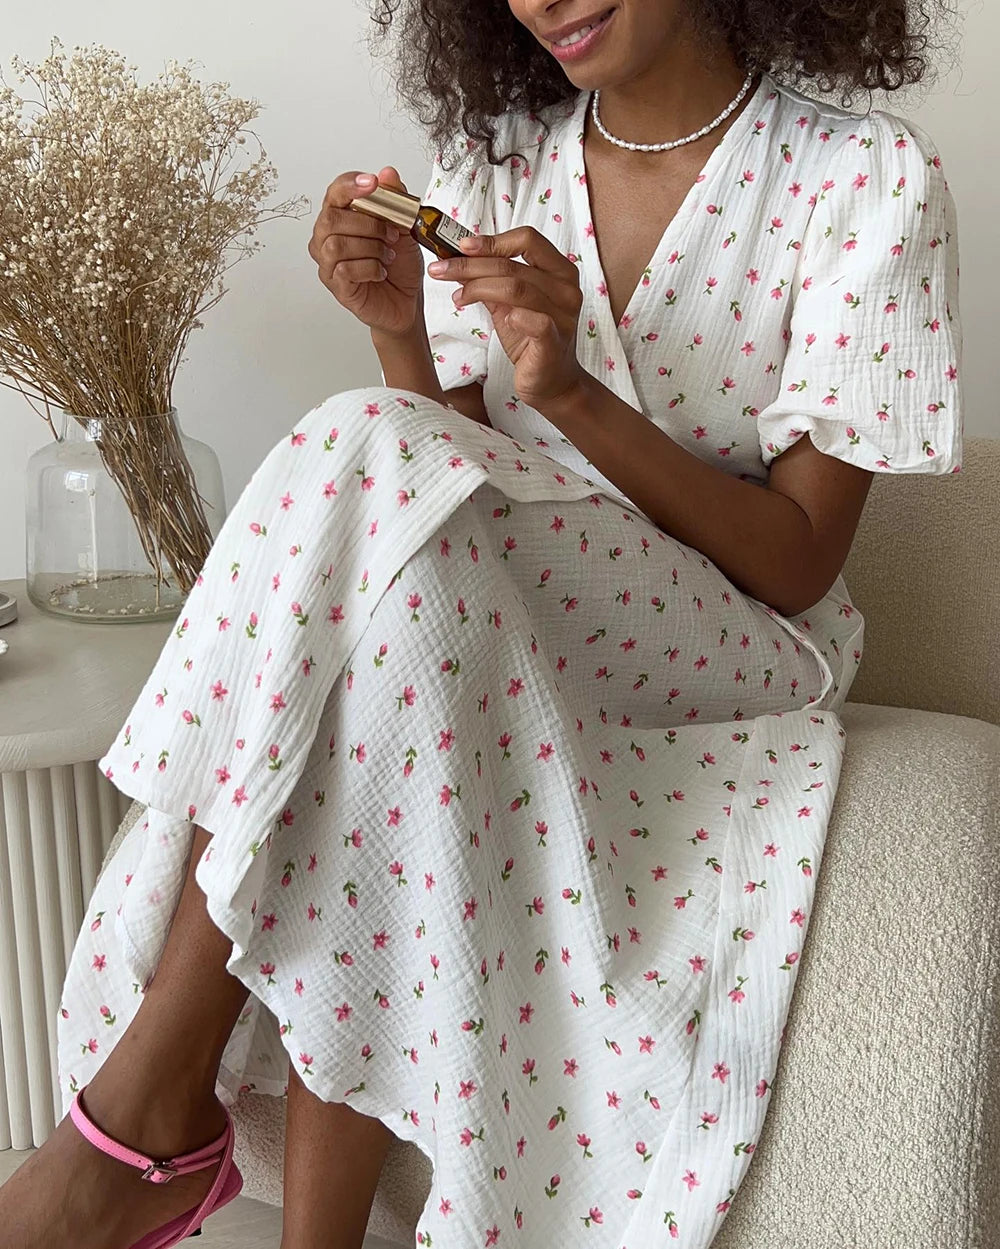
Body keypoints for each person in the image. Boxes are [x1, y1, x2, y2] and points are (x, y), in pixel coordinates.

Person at [3, 0, 963, 1246]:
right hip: (495, 615)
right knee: (396, 616)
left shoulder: (863, 175)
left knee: (365, 465)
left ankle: (143, 1104)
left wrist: (566, 389)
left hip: (732, 646)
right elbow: (443, 475)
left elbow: (796, 562)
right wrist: (400, 326)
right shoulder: (503, 163)